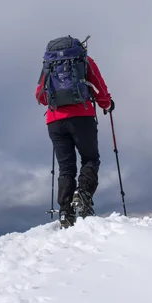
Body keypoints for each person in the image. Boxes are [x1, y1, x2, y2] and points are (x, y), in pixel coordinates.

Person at [35, 36, 114, 228]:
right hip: (82, 118)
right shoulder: (85, 61)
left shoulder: (49, 64)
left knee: (66, 167)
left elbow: (40, 95)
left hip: (55, 121)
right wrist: (107, 104)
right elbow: (100, 89)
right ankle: (83, 195)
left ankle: (65, 212)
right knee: (90, 158)